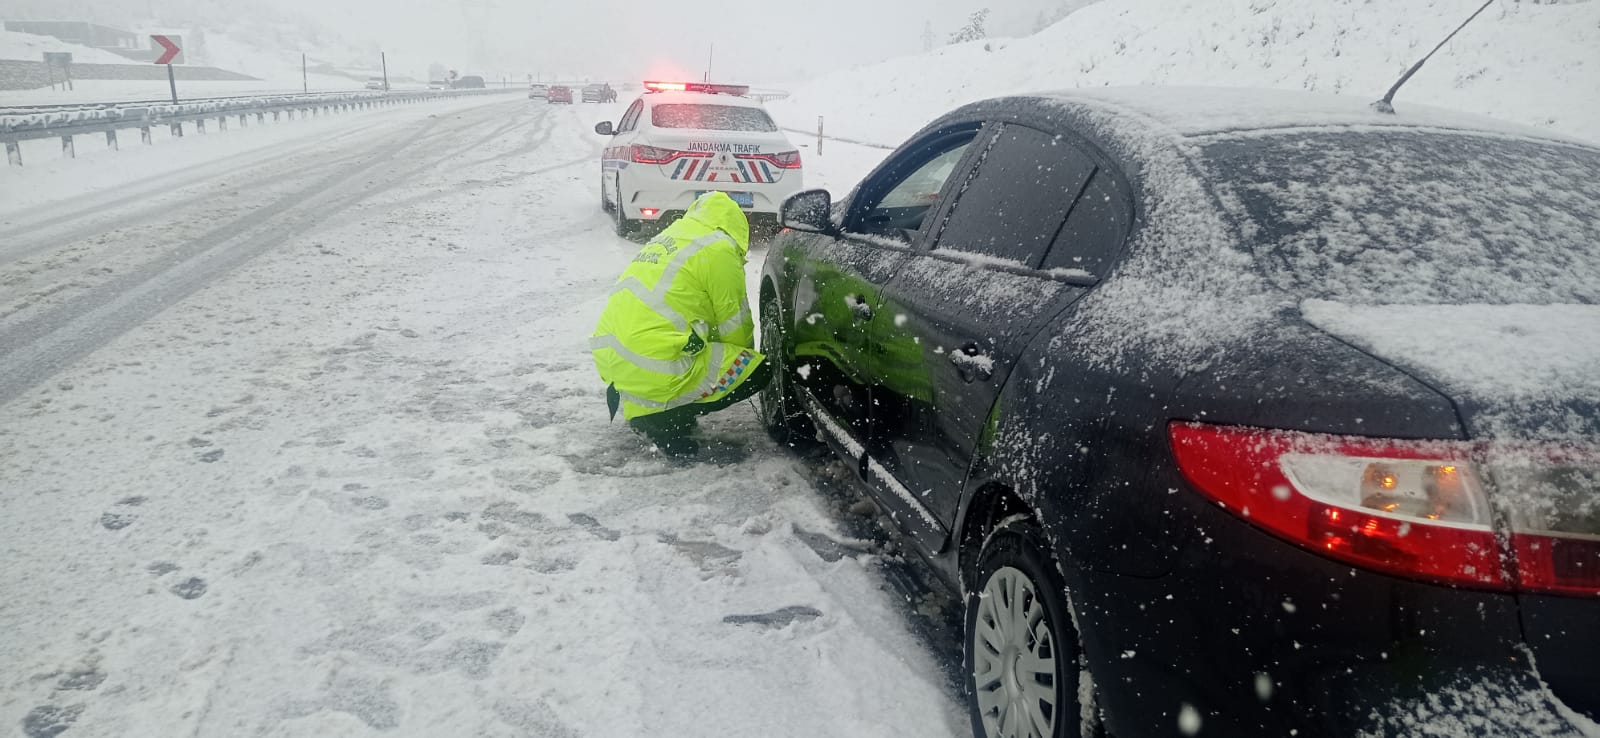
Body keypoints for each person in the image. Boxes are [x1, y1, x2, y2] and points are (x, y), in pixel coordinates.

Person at [590, 192, 770, 457]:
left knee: (690, 348)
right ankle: (665, 419)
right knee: (758, 369)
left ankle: (657, 409)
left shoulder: (674, 237)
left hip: (616, 359)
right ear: (736, 223)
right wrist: (745, 364)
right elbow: (735, 324)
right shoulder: (719, 250)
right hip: (652, 363)